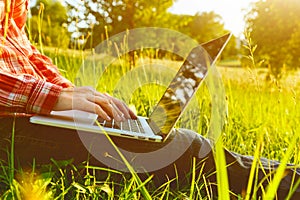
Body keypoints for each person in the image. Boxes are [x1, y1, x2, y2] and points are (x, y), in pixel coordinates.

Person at [0, 0, 299, 199]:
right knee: (181, 149)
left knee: (171, 144)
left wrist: (69, 93)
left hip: (30, 111)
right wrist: (48, 97)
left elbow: (22, 47)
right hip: (9, 124)